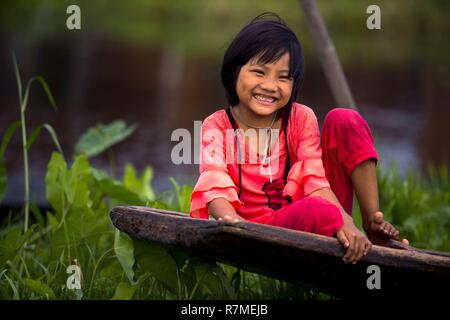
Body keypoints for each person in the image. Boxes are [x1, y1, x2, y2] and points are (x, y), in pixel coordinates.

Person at [190, 12, 408, 264]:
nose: (271, 85)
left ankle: (371, 225)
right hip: (257, 230)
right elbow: (214, 186)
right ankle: (337, 224)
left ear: (294, 83)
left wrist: (348, 223)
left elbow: (315, 181)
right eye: (259, 72)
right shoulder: (217, 125)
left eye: (283, 77)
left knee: (345, 120)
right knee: (320, 210)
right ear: (233, 73)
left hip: (310, 215)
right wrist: (237, 230)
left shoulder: (300, 118)